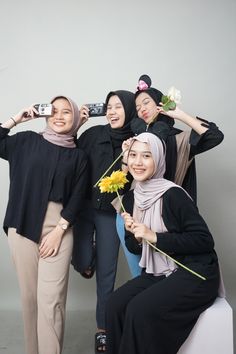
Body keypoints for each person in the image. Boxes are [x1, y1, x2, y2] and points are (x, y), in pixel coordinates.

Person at [106, 132, 220, 354]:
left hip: (195, 273)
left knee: (140, 310)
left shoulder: (173, 195)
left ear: (157, 159)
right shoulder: (130, 199)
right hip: (159, 272)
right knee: (114, 306)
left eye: (146, 156)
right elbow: (133, 246)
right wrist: (137, 237)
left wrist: (154, 236)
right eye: (133, 155)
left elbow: (204, 241)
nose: (138, 162)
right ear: (126, 160)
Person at [0, 96, 88, 354]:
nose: (59, 117)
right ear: (46, 115)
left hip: (59, 228)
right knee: (29, 300)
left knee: (52, 302)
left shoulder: (79, 156)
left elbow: (78, 197)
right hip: (23, 223)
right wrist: (18, 117)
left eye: (66, 113)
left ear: (75, 118)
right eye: (54, 111)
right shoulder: (25, 142)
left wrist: (59, 231)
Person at [116, 74, 224, 278]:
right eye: (137, 107)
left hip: (171, 217)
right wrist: (125, 157)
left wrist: (179, 114)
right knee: (141, 276)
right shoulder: (134, 143)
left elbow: (214, 137)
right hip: (137, 215)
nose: (142, 109)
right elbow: (122, 190)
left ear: (159, 103)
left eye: (146, 102)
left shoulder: (178, 139)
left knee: (174, 275)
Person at [71, 90, 136, 353]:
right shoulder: (92, 135)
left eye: (118, 107)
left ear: (129, 110)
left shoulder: (137, 140)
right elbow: (68, 157)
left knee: (106, 274)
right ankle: (89, 257)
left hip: (111, 213)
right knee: (84, 262)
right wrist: (79, 125)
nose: (111, 112)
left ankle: (103, 330)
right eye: (108, 107)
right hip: (83, 207)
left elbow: (139, 176)